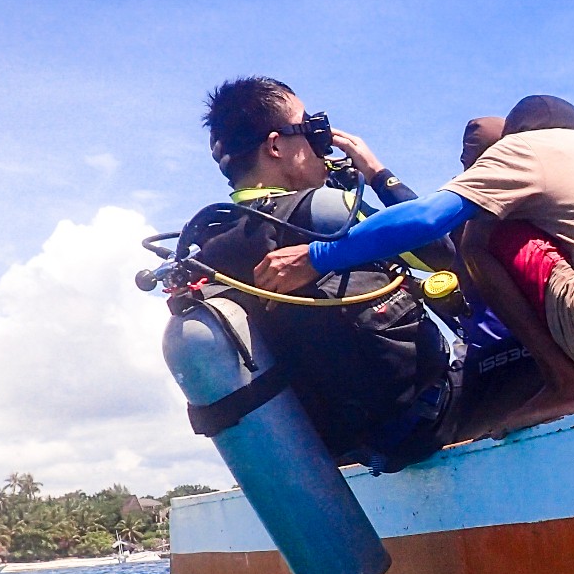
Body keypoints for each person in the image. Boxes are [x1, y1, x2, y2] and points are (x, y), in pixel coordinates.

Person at [256, 95, 574, 430]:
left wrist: (320, 255)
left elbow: (429, 224)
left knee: (483, 232)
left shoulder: (524, 151)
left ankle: (566, 386)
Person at [187, 76, 459, 470]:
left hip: (340, 449)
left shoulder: (211, 248)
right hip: (427, 419)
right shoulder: (326, 209)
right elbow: (439, 253)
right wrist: (378, 173)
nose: (323, 146)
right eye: (312, 132)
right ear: (276, 146)